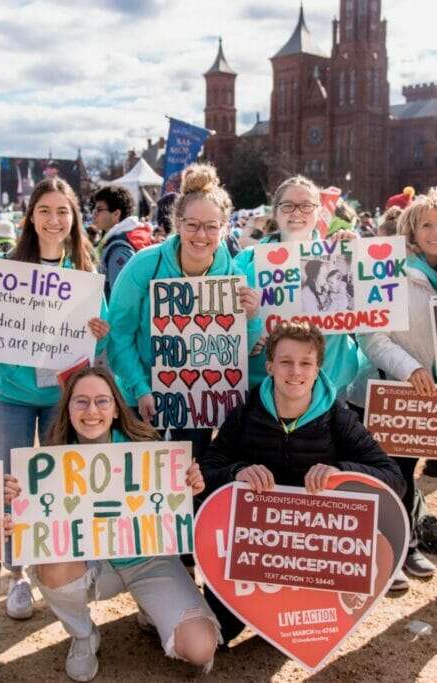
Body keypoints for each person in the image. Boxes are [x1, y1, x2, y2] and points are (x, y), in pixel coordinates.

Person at [0, 176, 109, 621]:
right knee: (11, 482)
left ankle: (56, 565)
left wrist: (99, 333)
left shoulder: (84, 275)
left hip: (60, 397)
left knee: (54, 483)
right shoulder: (2, 268)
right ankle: (17, 575)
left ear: (74, 219)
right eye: (45, 211)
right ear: (31, 216)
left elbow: (97, 341)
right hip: (11, 395)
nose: (54, 220)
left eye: (62, 211)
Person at [2, 366, 219, 680]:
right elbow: (36, 529)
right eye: (81, 402)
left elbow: (179, 514)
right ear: (68, 409)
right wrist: (16, 513)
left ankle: (151, 609)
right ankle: (82, 634)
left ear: (117, 408)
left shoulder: (150, 448)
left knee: (200, 648)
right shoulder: (46, 463)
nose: (92, 411)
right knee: (50, 564)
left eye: (102, 401)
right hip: (94, 565)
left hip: (150, 561)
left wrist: (193, 487)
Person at [199, 320, 405, 641]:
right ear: (269, 366)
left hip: (311, 553)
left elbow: (394, 479)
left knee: (292, 639)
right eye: (286, 362)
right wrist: (237, 471)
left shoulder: (337, 417)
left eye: (305, 363)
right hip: (253, 547)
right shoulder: (247, 411)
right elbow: (207, 471)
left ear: (318, 368)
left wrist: (341, 472)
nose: (295, 371)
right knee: (218, 635)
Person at [106, 163, 261, 461]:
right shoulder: (143, 265)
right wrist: (140, 388)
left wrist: (252, 318)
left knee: (188, 480)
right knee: (142, 478)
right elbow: (119, 333)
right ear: (177, 222)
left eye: (211, 226)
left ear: (224, 228)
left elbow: (244, 347)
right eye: (192, 225)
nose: (201, 235)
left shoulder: (234, 276)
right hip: (142, 395)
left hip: (196, 399)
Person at [347, 187, 437, 586]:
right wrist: (409, 369)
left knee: (410, 473)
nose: (435, 232)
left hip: (433, 394)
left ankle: (406, 543)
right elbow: (372, 336)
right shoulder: (389, 269)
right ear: (411, 229)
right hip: (386, 388)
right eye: (426, 224)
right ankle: (384, 551)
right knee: (387, 473)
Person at [233, 175, 360, 397]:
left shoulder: (341, 253)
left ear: (319, 212)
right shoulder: (246, 261)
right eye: (288, 205)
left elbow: (369, 310)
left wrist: (358, 256)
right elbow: (229, 324)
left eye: (306, 206)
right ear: (275, 212)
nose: (297, 212)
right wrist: (249, 336)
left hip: (329, 384)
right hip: (262, 388)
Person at [93, 185, 152, 300]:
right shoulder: (127, 236)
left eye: (99, 210)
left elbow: (123, 297)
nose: (94, 214)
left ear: (116, 214)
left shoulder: (118, 249)